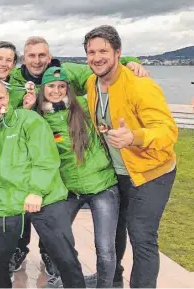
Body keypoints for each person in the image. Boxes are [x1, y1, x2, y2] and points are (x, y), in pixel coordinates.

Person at [0, 37, 148, 278]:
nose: (37, 60)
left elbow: (99, 69)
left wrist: (130, 62)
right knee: (27, 228)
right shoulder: (18, 85)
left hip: (89, 182)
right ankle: (23, 254)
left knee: (78, 241)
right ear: (24, 60)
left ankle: (99, 277)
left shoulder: (73, 93)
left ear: (50, 58)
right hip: (56, 182)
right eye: (31, 56)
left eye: (42, 55)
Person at [83, 25, 178, 288]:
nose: (97, 57)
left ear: (118, 52)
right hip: (117, 172)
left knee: (142, 235)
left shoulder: (141, 86)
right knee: (115, 229)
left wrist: (133, 137)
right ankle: (113, 279)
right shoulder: (92, 82)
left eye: (103, 51)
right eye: (91, 52)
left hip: (152, 174)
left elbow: (167, 131)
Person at [0, 77, 86, 288]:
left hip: (44, 197)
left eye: (1, 97)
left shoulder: (29, 120)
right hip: (5, 202)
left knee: (65, 257)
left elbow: (46, 158)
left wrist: (36, 190)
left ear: (8, 97)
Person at [36, 67, 120, 288]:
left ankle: (105, 285)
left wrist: (131, 62)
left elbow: (102, 78)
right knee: (55, 237)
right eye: (51, 86)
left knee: (104, 247)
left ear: (69, 88)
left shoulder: (83, 105)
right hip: (70, 189)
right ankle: (68, 278)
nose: (56, 91)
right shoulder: (38, 118)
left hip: (102, 184)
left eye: (62, 86)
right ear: (42, 89)